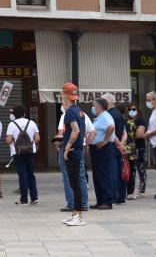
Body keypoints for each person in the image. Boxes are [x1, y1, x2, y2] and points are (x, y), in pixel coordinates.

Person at [56, 105, 94, 213]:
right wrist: (85, 144)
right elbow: (93, 132)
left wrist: (63, 146)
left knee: (68, 176)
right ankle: (83, 204)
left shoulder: (66, 115)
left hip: (68, 147)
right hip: (79, 147)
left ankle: (72, 204)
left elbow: (60, 134)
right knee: (81, 176)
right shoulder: (83, 114)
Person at [61, 82, 87, 226]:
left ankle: (79, 215)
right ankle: (75, 214)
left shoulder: (70, 111)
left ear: (65, 95)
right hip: (77, 150)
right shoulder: (79, 110)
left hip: (73, 151)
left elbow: (75, 130)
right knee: (74, 182)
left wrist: (67, 147)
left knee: (75, 184)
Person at [6, 105, 40, 205]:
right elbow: (37, 138)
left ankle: (23, 199)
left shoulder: (12, 124)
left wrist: (13, 141)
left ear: (14, 114)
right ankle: (34, 198)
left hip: (17, 152)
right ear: (24, 113)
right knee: (31, 174)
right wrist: (31, 143)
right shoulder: (32, 123)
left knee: (22, 175)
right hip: (30, 152)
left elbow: (8, 140)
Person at [89, 97, 117, 209]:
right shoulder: (99, 117)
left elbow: (111, 127)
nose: (93, 107)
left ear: (99, 106)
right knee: (97, 175)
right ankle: (100, 200)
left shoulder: (105, 116)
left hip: (103, 149)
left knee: (104, 174)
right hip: (96, 149)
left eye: (94, 105)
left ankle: (107, 201)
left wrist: (105, 140)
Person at [103, 93, 128, 205]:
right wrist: (121, 146)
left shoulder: (109, 115)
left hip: (111, 146)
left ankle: (112, 196)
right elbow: (123, 133)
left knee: (112, 173)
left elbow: (111, 131)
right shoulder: (119, 114)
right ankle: (121, 196)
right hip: (117, 147)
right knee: (119, 172)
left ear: (108, 101)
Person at [125, 102, 147, 199]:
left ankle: (141, 190)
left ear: (138, 110)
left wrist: (131, 132)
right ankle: (130, 190)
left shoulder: (141, 121)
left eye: (134, 109)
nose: (131, 111)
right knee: (131, 169)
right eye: (130, 109)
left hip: (139, 147)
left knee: (141, 169)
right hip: (130, 149)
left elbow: (139, 134)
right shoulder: (127, 121)